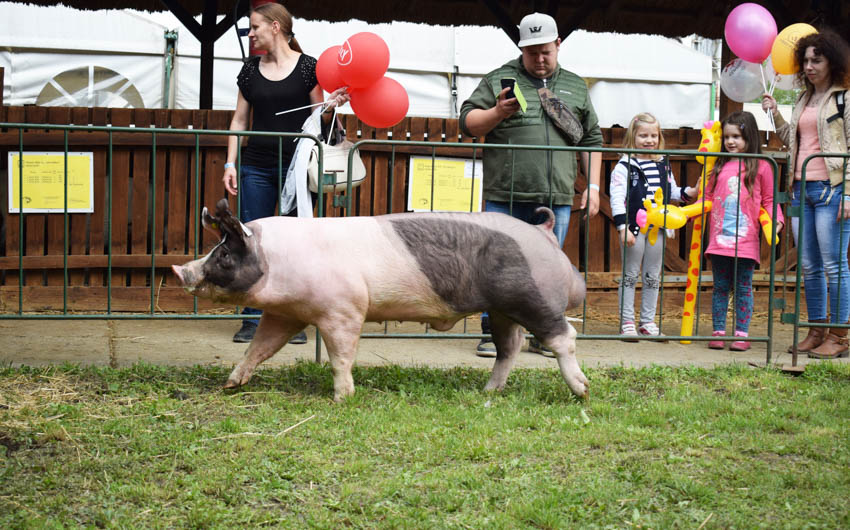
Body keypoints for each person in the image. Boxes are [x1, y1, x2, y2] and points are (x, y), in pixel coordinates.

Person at [459, 12, 603, 357]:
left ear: (558, 45)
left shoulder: (575, 86)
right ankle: (493, 334)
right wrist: (497, 113)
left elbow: (592, 138)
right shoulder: (499, 79)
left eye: (545, 52)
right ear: (522, 49)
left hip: (556, 195)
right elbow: (467, 122)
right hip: (504, 193)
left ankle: (543, 334)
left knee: (549, 268)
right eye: (531, 52)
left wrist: (594, 187)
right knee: (497, 265)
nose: (539, 59)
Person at [224, 3, 349, 343]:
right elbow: (239, 120)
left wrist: (331, 107)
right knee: (253, 241)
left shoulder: (309, 68)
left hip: (299, 167)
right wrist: (230, 164)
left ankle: (291, 320)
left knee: (297, 245)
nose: (250, 34)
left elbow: (321, 120)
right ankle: (252, 319)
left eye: (254, 27)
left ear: (275, 27)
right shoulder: (249, 70)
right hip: (256, 166)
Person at [762, 29, 850, 359]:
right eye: (806, 60)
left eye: (818, 59)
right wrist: (775, 113)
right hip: (800, 190)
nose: (810, 66)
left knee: (834, 264)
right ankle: (816, 331)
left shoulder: (845, 99)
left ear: (833, 62)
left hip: (832, 191)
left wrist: (849, 195)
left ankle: (840, 336)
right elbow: (793, 139)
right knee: (810, 266)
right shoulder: (803, 99)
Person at [610, 113, 696, 340]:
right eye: (643, 136)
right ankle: (626, 320)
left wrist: (690, 193)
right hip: (634, 228)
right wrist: (622, 227)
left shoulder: (662, 164)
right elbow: (617, 198)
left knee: (652, 275)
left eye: (653, 136)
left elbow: (672, 192)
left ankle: (647, 321)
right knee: (630, 274)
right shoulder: (624, 166)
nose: (649, 140)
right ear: (632, 138)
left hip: (657, 229)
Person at [703, 111, 783, 351]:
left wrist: (775, 219)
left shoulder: (762, 166)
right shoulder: (718, 164)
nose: (730, 142)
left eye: (736, 136)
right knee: (719, 286)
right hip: (719, 240)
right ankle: (718, 331)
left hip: (746, 241)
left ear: (749, 137)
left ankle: (741, 333)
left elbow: (769, 199)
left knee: (743, 287)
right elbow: (706, 197)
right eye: (727, 137)